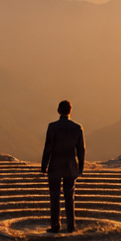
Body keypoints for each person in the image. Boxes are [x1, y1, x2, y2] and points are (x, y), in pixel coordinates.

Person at [40, 99, 85, 233]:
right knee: (69, 196)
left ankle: (55, 226)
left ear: (59, 111)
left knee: (54, 196)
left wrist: (44, 165)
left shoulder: (52, 127)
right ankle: (71, 226)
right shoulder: (77, 128)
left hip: (55, 166)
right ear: (70, 111)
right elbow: (81, 149)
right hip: (71, 167)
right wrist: (81, 167)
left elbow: (48, 147)